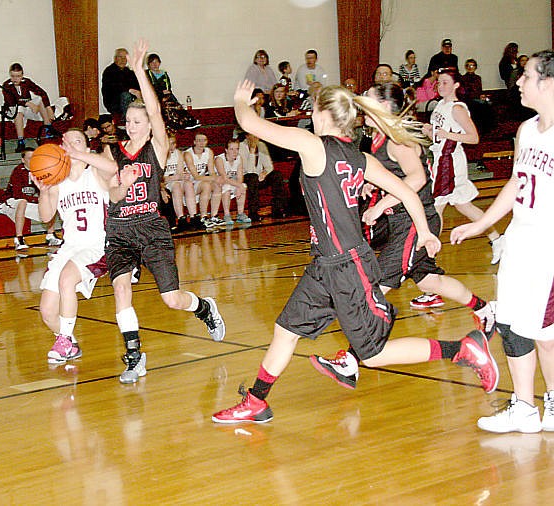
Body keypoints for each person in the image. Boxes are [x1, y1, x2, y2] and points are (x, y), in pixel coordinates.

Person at [212, 80, 498, 424]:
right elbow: (408, 194)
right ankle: (256, 400)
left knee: (374, 355)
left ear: (322, 113)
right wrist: (423, 230)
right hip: (325, 265)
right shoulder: (360, 156)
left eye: (314, 110)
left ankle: (462, 350)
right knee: (285, 330)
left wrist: (242, 100)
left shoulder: (313, 145)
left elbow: (249, 124)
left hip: (348, 267)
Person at [65, 39, 226, 384]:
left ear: (150, 126)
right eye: (130, 120)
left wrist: (139, 71)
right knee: (121, 289)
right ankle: (134, 356)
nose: (134, 124)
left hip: (152, 229)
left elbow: (155, 111)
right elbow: (112, 190)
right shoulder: (114, 152)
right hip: (121, 230)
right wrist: (110, 177)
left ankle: (204, 308)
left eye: (140, 120)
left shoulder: (158, 147)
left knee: (171, 299)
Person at [313, 82, 497, 379]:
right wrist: (371, 185)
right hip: (402, 222)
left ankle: (350, 359)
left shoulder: (397, 139)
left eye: (368, 100)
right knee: (430, 282)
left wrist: (380, 203)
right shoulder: (377, 138)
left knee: (377, 288)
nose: (361, 106)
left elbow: (417, 178)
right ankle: (486, 309)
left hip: (414, 221)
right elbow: (394, 175)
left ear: (384, 107)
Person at [451, 50, 554, 433]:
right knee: (512, 324)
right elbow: (515, 182)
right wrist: (483, 225)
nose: (519, 82)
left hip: (548, 248)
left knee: (546, 332)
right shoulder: (527, 130)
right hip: (520, 241)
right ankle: (524, 407)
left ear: (548, 82)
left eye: (526, 76)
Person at [33, 129, 112, 364]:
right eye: (66, 143)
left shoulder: (96, 173)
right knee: (47, 312)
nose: (70, 146)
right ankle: (70, 343)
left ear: (87, 149)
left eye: (77, 142)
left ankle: (64, 340)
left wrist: (80, 154)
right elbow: (46, 216)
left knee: (67, 279)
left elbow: (112, 168)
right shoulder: (58, 180)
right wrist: (44, 194)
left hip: (96, 246)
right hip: (70, 247)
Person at [423, 68, 504, 266]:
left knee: (436, 208)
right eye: (438, 82)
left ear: (456, 85)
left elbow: (473, 138)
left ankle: (428, 256)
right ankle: (498, 239)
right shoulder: (440, 105)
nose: (440, 86)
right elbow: (439, 135)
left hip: (450, 161)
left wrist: (445, 135)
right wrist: (428, 131)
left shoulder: (457, 108)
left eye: (444, 82)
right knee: (463, 205)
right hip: (441, 158)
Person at [2, 63, 58, 153]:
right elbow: (11, 102)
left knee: (39, 99)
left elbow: (42, 92)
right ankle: (21, 141)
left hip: (27, 109)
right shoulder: (6, 85)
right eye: (13, 76)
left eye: (18, 76)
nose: (15, 79)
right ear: (10, 74)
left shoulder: (26, 82)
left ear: (22, 75)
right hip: (14, 110)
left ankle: (48, 127)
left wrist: (48, 108)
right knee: (19, 108)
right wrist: (29, 103)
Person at [0, 147, 40, 250]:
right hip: (10, 201)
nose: (33, 160)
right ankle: (19, 238)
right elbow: (17, 195)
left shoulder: (40, 171)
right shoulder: (18, 171)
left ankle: (50, 234)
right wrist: (36, 200)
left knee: (50, 203)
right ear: (23, 160)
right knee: (22, 202)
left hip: (28, 201)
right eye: (29, 158)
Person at [145, 53, 199, 130]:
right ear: (149, 64)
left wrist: (166, 92)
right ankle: (179, 122)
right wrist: (161, 92)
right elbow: (149, 87)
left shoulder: (164, 74)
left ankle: (188, 120)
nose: (154, 64)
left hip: (165, 95)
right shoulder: (146, 74)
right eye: (152, 62)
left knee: (175, 103)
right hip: (153, 96)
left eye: (156, 62)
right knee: (168, 103)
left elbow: (168, 87)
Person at [240, 132, 286, 221]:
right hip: (246, 177)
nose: (255, 138)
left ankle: (277, 209)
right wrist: (252, 151)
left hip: (259, 177)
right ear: (247, 136)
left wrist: (265, 172)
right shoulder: (241, 147)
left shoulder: (261, 145)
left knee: (277, 175)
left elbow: (269, 166)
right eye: (252, 135)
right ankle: (253, 212)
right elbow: (248, 170)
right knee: (252, 177)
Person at [184, 133, 223, 228]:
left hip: (201, 180)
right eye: (199, 140)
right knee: (206, 185)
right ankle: (203, 216)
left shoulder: (209, 152)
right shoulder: (188, 154)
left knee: (217, 185)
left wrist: (216, 178)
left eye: (204, 140)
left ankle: (214, 215)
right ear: (194, 142)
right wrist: (214, 178)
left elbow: (212, 171)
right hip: (189, 183)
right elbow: (196, 177)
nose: (201, 143)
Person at [163, 133, 198, 232]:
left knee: (188, 183)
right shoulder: (160, 155)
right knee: (177, 186)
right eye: (169, 144)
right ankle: (181, 218)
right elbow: (159, 178)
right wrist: (175, 177)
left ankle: (193, 217)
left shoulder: (178, 153)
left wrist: (183, 176)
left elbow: (179, 173)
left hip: (174, 180)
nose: (171, 146)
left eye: (173, 143)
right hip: (166, 184)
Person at [215, 138, 250, 225]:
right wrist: (239, 185)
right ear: (226, 150)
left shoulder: (239, 158)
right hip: (219, 183)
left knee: (243, 186)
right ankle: (226, 215)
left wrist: (239, 186)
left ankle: (240, 214)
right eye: (232, 149)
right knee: (227, 188)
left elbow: (240, 176)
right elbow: (224, 178)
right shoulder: (219, 159)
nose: (235, 152)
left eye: (237, 149)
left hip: (232, 182)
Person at [101, 48, 140, 118]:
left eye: (125, 58)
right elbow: (114, 88)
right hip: (114, 101)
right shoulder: (109, 71)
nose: (123, 60)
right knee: (126, 95)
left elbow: (136, 85)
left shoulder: (128, 71)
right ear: (115, 58)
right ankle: (126, 119)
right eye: (120, 57)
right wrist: (130, 90)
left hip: (129, 99)